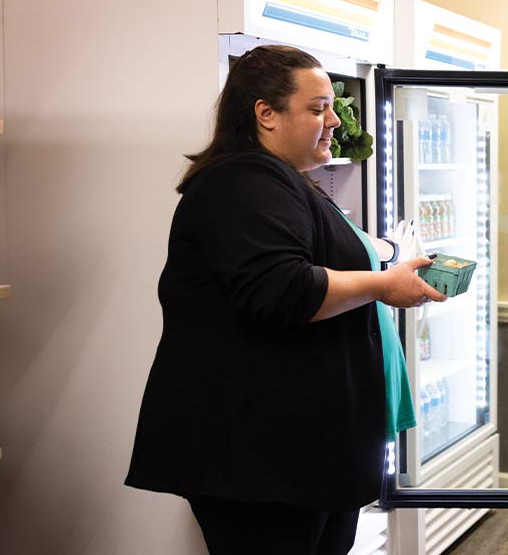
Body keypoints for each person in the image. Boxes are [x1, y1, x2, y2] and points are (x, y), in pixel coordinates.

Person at [124, 44, 446, 555]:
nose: (335, 121)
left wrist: (385, 256)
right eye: (318, 108)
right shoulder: (240, 182)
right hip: (258, 459)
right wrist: (384, 285)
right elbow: (285, 290)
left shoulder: (280, 182)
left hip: (299, 452)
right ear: (265, 114)